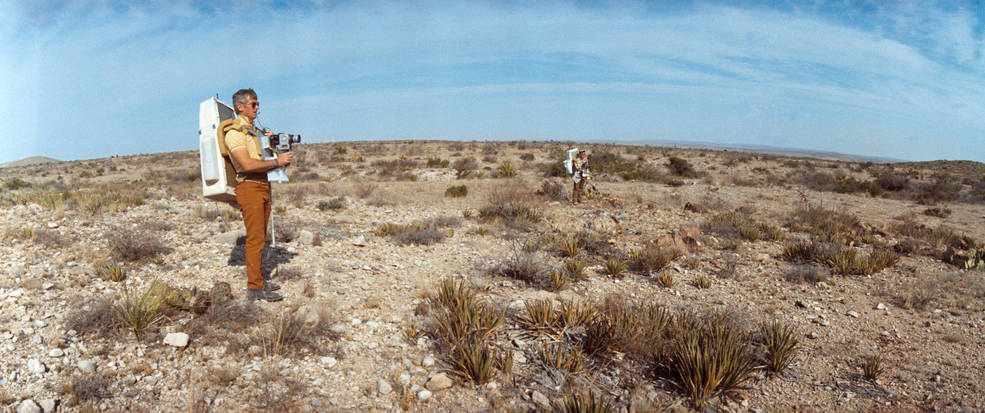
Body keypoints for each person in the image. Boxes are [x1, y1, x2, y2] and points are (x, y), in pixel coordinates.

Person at [224, 88, 292, 302]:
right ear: (240, 107)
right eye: (253, 104)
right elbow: (246, 164)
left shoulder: (255, 133)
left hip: (262, 185)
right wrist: (276, 162)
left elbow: (265, 163)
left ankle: (259, 281)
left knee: (260, 238)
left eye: (257, 104)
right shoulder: (235, 133)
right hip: (250, 187)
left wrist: (271, 148)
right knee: (255, 239)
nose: (257, 108)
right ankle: (254, 288)